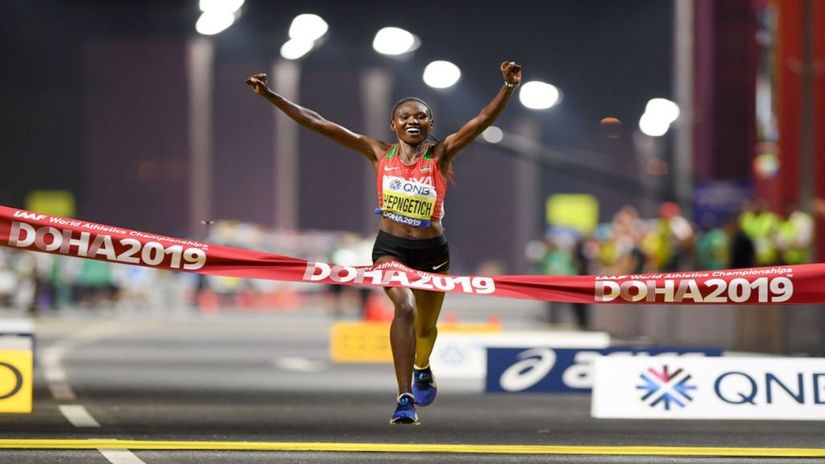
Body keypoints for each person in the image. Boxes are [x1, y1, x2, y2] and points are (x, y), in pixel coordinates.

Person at [246, 61, 522, 425]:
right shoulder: (378, 152)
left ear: (429, 125)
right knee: (403, 309)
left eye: (420, 116)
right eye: (405, 116)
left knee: (426, 327)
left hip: (432, 252)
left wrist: (507, 86)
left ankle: (423, 365)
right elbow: (317, 122)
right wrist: (271, 95)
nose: (413, 121)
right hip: (390, 248)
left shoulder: (441, 155)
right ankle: (404, 397)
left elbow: (481, 121)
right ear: (393, 125)